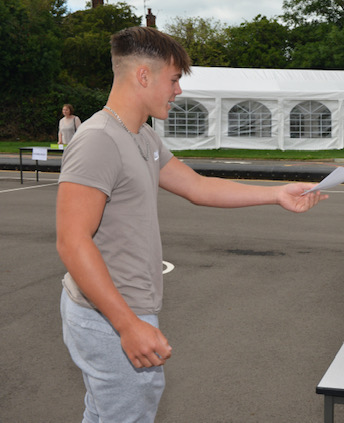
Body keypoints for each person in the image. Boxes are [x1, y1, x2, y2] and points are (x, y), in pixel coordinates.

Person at [56, 26, 326, 423]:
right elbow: (72, 241)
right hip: (110, 315)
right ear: (143, 76)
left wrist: (276, 193)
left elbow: (198, 186)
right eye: (175, 78)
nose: (178, 90)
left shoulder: (142, 136)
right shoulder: (98, 139)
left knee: (103, 415)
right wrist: (127, 325)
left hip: (122, 310)